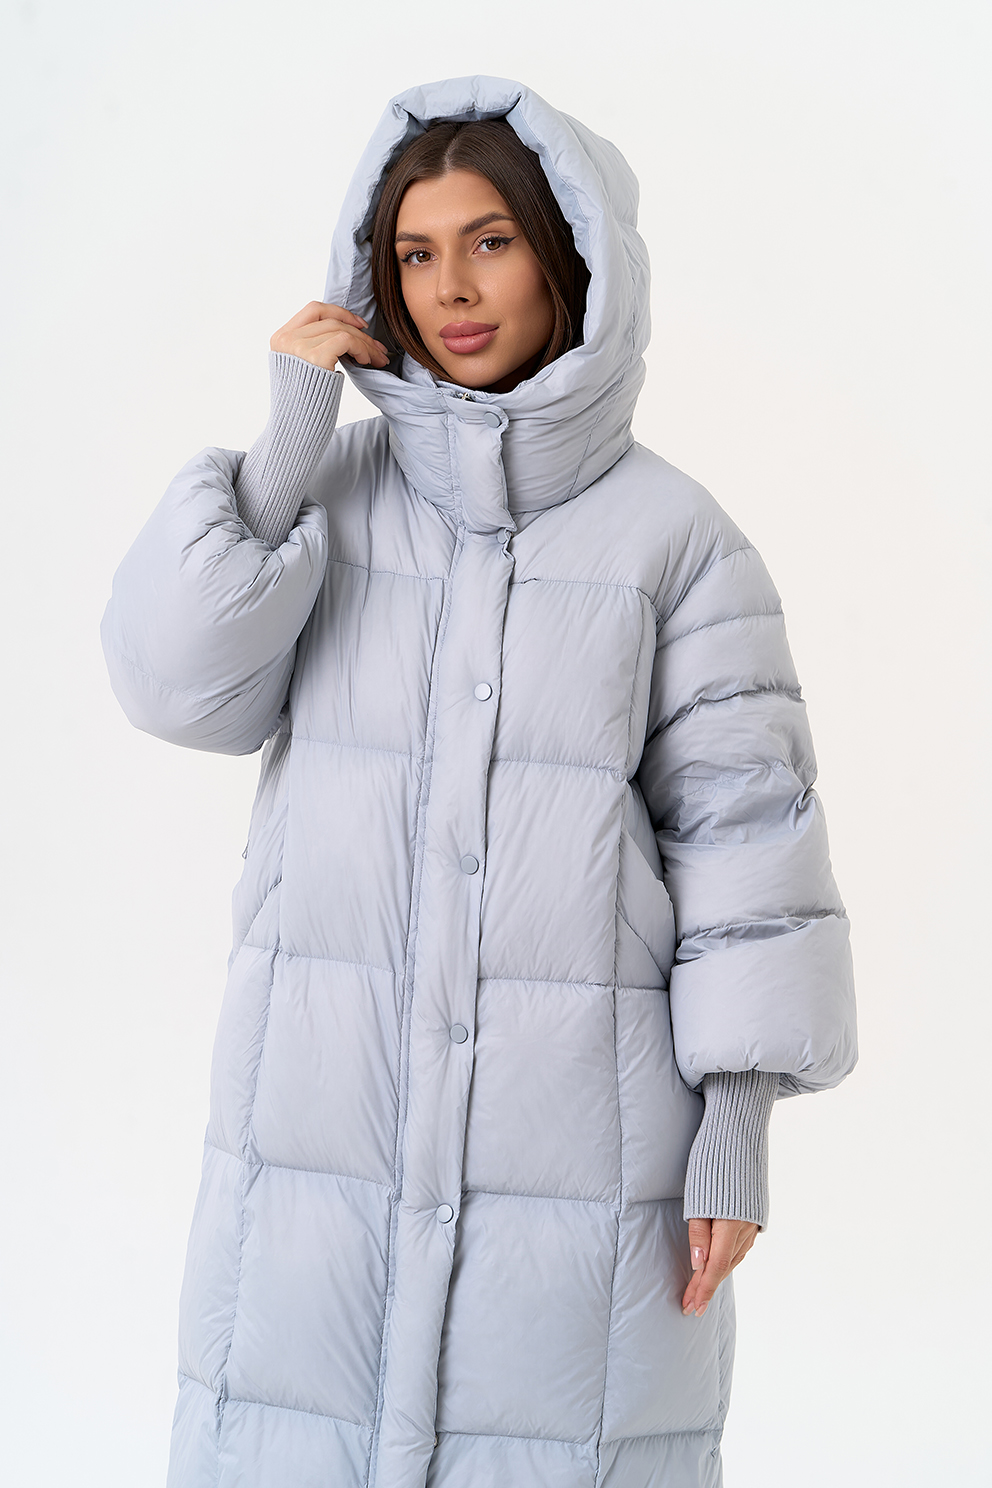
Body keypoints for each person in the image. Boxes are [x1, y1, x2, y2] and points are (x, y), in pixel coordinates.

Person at [101, 76, 857, 1488]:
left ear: (571, 259)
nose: (450, 288)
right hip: (316, 1138)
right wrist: (284, 448)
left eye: (491, 242)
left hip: (580, 1149)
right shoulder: (324, 499)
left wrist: (738, 1127)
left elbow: (749, 843)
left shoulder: (680, 544)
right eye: (415, 252)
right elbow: (174, 688)